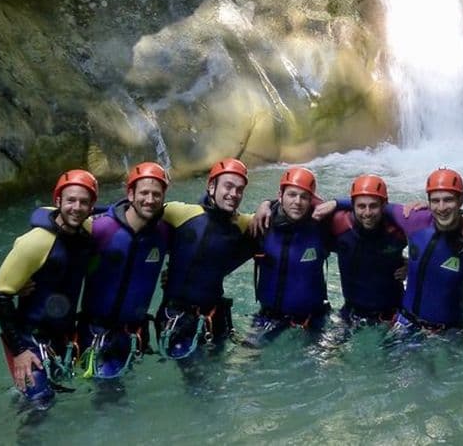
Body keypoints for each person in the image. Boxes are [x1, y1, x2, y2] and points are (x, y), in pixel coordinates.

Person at [0, 169, 98, 405]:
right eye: (70, 200)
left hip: (62, 337)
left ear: (91, 206)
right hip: (30, 339)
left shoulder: (87, 232)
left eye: (84, 202)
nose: (76, 207)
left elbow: (116, 212)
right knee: (40, 403)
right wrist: (19, 351)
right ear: (57, 201)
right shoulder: (35, 242)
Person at [156, 158, 258, 359]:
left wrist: (265, 205)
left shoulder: (242, 223)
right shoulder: (181, 213)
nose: (234, 194)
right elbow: (133, 210)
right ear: (211, 187)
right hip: (177, 317)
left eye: (239, 190)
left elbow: (281, 212)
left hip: (215, 315)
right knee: (197, 373)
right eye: (228, 186)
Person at [78, 162, 172, 379]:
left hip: (134, 334)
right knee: (110, 390)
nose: (150, 200)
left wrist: (173, 275)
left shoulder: (164, 232)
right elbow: (61, 247)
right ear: (130, 194)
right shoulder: (101, 229)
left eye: (156, 194)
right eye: (144, 193)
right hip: (96, 332)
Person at [382, 168, 463, 334]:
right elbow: (377, 205)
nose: (441, 207)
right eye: (435, 201)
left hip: (449, 334)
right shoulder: (415, 220)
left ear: (461, 200)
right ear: (428, 202)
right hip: (406, 323)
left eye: (448, 200)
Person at [246, 166, 333, 346]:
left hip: (312, 319)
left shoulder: (322, 225)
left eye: (304, 197)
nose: (297, 202)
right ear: (280, 196)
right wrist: (265, 203)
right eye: (292, 195)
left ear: (311, 200)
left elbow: (365, 214)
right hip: (269, 316)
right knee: (245, 355)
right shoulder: (262, 223)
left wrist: (336, 202)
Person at [329, 174, 406, 327]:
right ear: (352, 205)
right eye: (361, 206)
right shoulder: (339, 224)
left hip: (393, 312)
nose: (367, 213)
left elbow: (431, 227)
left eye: (374, 206)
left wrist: (413, 266)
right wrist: (336, 202)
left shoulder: (398, 228)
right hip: (351, 311)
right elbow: (303, 206)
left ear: (384, 205)